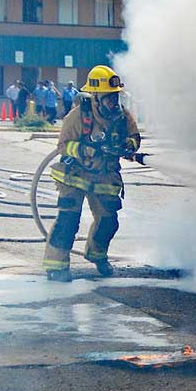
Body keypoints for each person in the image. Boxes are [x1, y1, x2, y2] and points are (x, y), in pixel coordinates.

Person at [43, 64, 141, 282]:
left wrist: (127, 144)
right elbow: (63, 145)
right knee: (68, 220)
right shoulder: (78, 116)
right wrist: (82, 149)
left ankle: (97, 255)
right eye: (108, 98)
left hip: (105, 176)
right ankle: (55, 266)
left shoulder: (122, 117)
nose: (113, 103)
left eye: (115, 98)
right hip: (75, 175)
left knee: (109, 221)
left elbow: (135, 137)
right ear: (95, 97)